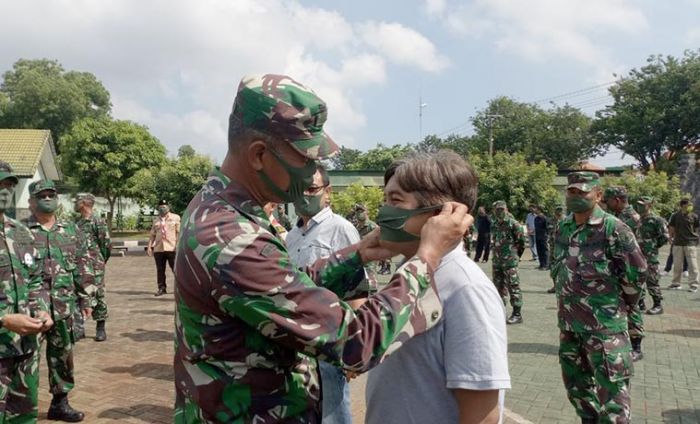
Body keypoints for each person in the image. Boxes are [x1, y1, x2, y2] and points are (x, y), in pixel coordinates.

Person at [172, 74, 472, 423]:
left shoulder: (218, 207)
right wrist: (427, 259)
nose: (315, 173)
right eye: (306, 159)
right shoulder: (228, 235)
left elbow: (285, 288)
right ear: (259, 155)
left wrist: (357, 253)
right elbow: (356, 342)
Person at [366, 150, 510, 424]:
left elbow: (482, 416)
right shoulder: (409, 271)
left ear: (441, 214)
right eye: (385, 200)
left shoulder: (465, 289)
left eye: (395, 200)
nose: (383, 211)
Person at [551, 172, 646, 423]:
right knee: (577, 392)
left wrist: (619, 307)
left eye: (583, 192)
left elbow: (636, 275)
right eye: (572, 191)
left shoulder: (615, 229)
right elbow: (558, 268)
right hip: (570, 327)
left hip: (604, 330)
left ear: (598, 195)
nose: (576, 196)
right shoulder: (563, 227)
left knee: (613, 402)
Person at [286, 164, 363, 424]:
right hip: (297, 340)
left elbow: (355, 289)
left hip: (329, 338)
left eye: (311, 189)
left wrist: (355, 347)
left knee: (333, 413)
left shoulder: (341, 229)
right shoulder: (291, 236)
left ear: (327, 192)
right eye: (298, 189)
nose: (303, 196)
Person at [24, 180, 96, 422]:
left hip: (63, 306)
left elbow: (81, 265)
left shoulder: (70, 230)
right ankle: (22, 408)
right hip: (29, 310)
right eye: (41, 195)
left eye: (50, 194)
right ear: (30, 201)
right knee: (25, 361)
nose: (47, 198)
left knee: (63, 357)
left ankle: (60, 403)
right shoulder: (19, 231)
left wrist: (86, 299)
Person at [0, 161, 53, 422]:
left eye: (9, 185)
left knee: (23, 416)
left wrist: (41, 308)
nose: (4, 191)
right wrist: (3, 319)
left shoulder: (20, 233)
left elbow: (36, 279)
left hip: (24, 347)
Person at [603, 186, 645, 361]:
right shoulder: (617, 217)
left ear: (617, 200)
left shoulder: (632, 218)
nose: (606, 203)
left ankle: (637, 347)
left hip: (632, 268)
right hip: (619, 266)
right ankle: (620, 340)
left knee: (633, 306)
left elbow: (636, 247)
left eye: (608, 200)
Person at [74, 193, 112, 341]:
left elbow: (106, 245)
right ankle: (79, 327)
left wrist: (99, 260)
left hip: (95, 265)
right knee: (80, 294)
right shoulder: (77, 223)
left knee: (97, 293)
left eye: (77, 201)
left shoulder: (97, 220)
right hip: (79, 265)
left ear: (84, 203)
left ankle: (100, 327)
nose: (75, 203)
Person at [491, 200, 526, 324]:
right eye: (497, 209)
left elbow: (521, 242)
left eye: (502, 209)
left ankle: (517, 314)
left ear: (506, 209)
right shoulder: (494, 224)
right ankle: (499, 312)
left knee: (513, 286)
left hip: (510, 261)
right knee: (498, 287)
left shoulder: (513, 224)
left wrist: (515, 256)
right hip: (497, 261)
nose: (499, 211)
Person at [633, 197, 669, 315]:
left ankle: (658, 305)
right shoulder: (636, 220)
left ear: (649, 205)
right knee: (637, 280)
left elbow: (665, 237)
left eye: (642, 205)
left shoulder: (657, 220)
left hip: (650, 256)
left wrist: (653, 247)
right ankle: (641, 303)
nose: (639, 207)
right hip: (637, 255)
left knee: (652, 280)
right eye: (638, 204)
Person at [147, 199, 180, 296]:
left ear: (168, 207)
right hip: (159, 248)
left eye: (164, 206)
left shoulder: (175, 218)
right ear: (158, 208)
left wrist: (178, 245)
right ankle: (161, 288)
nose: (163, 208)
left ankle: (181, 288)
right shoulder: (156, 221)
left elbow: (178, 233)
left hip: (172, 248)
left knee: (176, 269)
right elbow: (152, 235)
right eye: (161, 207)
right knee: (160, 270)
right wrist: (149, 247)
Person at [667, 198, 699, 292]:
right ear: (682, 205)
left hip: (690, 243)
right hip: (678, 243)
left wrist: (697, 238)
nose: (690, 206)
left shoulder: (694, 216)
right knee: (677, 265)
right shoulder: (675, 216)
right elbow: (672, 227)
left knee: (693, 265)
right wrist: (670, 237)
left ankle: (694, 285)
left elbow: (697, 228)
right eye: (688, 204)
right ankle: (676, 283)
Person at [546, 206, 565, 293]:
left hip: (563, 248)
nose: (559, 212)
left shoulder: (566, 221)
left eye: (560, 211)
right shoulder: (551, 221)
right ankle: (555, 286)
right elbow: (548, 232)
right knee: (553, 267)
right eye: (557, 210)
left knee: (563, 268)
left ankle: (563, 287)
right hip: (553, 248)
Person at [533, 206, 549, 270]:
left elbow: (547, 228)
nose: (535, 210)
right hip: (537, 237)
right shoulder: (536, 218)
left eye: (536, 209)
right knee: (539, 251)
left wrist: (547, 237)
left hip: (544, 237)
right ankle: (541, 264)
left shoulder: (545, 218)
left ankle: (546, 265)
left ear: (539, 210)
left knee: (544, 251)